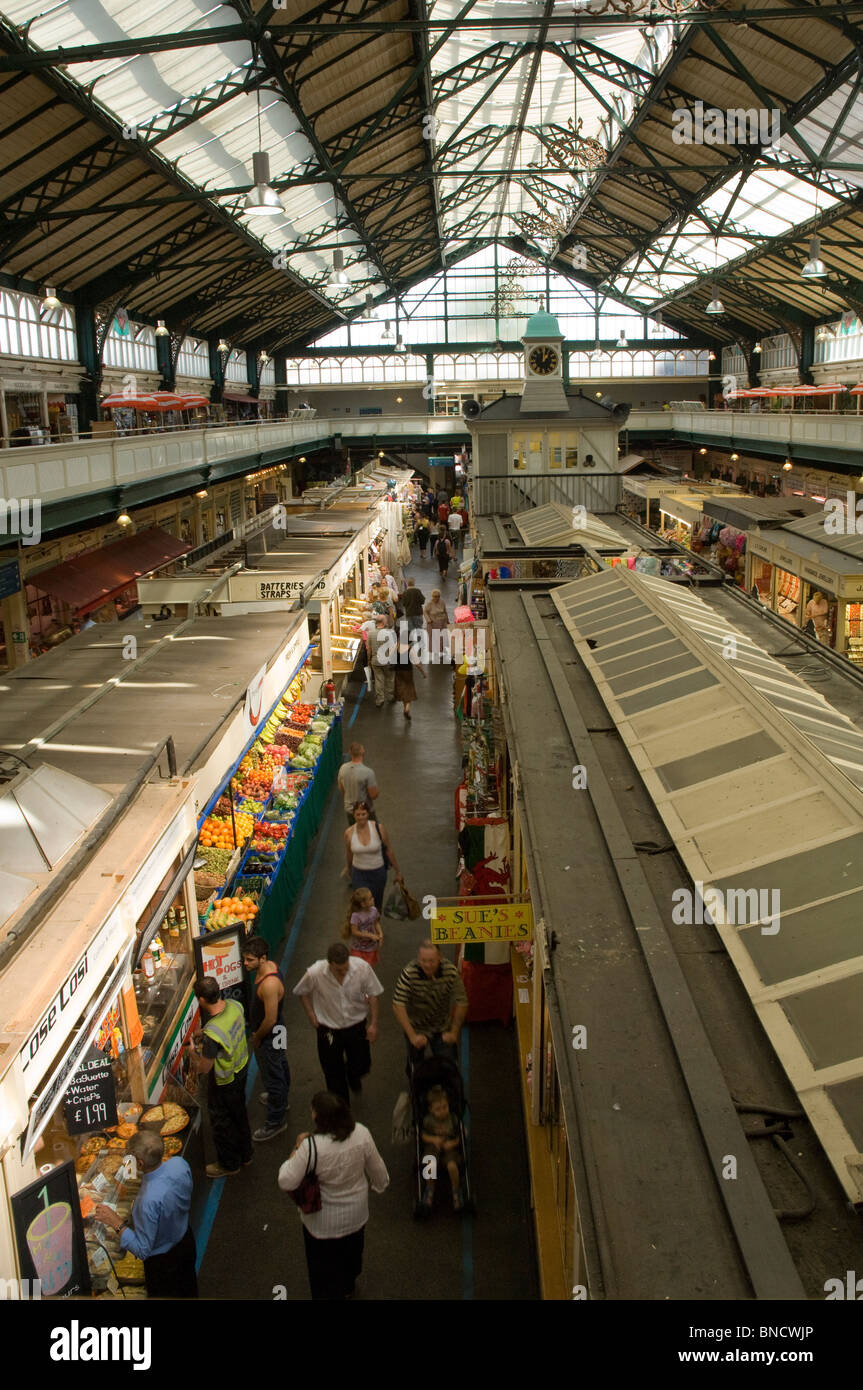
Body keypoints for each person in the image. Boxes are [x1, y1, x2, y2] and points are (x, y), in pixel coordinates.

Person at [277, 1091, 389, 1300]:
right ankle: (348, 1286)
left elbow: (286, 1180)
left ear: (319, 1118)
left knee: (322, 1273)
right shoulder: (361, 1134)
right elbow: (379, 1172)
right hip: (357, 1216)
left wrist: (295, 1148)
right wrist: (378, 1186)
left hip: (321, 1225)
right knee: (352, 1257)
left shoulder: (311, 1147)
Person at [93, 1131, 198, 1296]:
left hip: (163, 1265)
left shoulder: (147, 1202)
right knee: (188, 1288)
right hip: (185, 1241)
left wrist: (116, 1223)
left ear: (140, 1164)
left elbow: (143, 1250)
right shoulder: (179, 1164)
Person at [293, 943, 383, 1102]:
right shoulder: (315, 972)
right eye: (339, 970)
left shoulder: (362, 968)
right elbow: (302, 991)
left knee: (361, 1065)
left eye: (346, 968)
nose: (343, 972)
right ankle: (342, 1108)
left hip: (356, 1026)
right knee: (333, 1073)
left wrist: (374, 1024)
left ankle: (353, 1076)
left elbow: (374, 994)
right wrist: (310, 1013)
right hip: (328, 1029)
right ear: (329, 964)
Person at [187, 977, 252, 1177]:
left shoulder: (213, 1033)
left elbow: (205, 1068)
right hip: (241, 1068)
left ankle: (229, 1164)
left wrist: (193, 1055)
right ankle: (246, 1154)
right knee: (239, 1114)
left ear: (201, 1000)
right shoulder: (234, 1005)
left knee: (222, 1123)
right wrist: (204, 1033)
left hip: (225, 1081)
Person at [242, 936, 291, 1142]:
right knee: (280, 1064)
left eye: (250, 960)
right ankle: (281, 1099)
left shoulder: (269, 984)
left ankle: (275, 1120)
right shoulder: (270, 967)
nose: (246, 964)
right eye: (245, 959)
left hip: (271, 1034)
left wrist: (257, 1037)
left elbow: (269, 1019)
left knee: (273, 1075)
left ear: (262, 959)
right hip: (278, 1030)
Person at [392, 940, 468, 1069]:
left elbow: (462, 1001)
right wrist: (412, 1036)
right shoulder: (409, 973)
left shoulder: (450, 972)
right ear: (418, 959)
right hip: (416, 1027)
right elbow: (398, 1004)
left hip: (442, 1026)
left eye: (432, 961)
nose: (427, 965)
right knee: (415, 1066)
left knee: (448, 1066)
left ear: (440, 958)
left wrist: (454, 1032)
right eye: (423, 960)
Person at [343, 799, 402, 912]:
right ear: (353, 815)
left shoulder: (378, 829)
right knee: (361, 904)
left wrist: (397, 871)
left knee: (376, 903)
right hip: (359, 874)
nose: (361, 817)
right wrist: (349, 869)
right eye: (358, 814)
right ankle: (363, 928)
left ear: (368, 814)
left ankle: (375, 924)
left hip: (378, 873)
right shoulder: (349, 833)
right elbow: (349, 853)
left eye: (363, 814)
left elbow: (389, 850)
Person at [420, 1084, 464, 1212]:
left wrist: (452, 1143)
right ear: (431, 1110)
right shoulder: (428, 1121)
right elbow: (423, 1136)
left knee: (452, 1166)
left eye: (445, 1107)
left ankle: (456, 1191)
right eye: (438, 1109)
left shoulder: (453, 1119)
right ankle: (429, 1189)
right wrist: (434, 1140)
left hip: (449, 1148)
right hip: (433, 1147)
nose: (443, 1111)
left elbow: (458, 1138)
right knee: (429, 1162)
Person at [338, 742, 379, 825]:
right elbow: (373, 795)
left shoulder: (342, 768)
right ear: (363, 752)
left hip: (350, 810)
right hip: (365, 811)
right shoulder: (368, 772)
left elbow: (341, 788)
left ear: (350, 753)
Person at [341, 886, 383, 965]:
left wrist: (381, 934)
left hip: (371, 947)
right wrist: (370, 935)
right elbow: (354, 932)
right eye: (370, 899)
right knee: (357, 967)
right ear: (363, 904)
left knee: (367, 967)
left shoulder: (374, 910)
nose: (373, 899)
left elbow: (376, 923)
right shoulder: (356, 916)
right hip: (358, 948)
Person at [394, 621, 426, 719]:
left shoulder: (396, 646)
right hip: (408, 671)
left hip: (398, 671)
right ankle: (407, 708)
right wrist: (423, 673)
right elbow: (417, 663)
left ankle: (405, 707)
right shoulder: (410, 649)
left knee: (402, 689)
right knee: (408, 689)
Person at [369, 614, 395, 707]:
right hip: (386, 660)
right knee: (390, 678)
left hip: (375, 660)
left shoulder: (371, 633)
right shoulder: (389, 633)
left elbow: (369, 648)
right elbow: (392, 648)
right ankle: (390, 696)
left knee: (378, 680)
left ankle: (380, 700)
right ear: (384, 622)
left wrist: (369, 660)